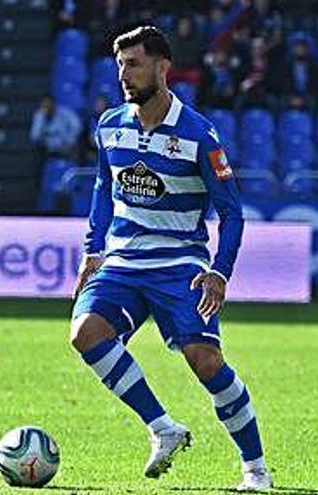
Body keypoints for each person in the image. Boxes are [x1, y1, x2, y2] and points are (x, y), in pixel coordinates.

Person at [70, 26, 271, 491]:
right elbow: (104, 188)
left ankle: (255, 468)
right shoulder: (109, 125)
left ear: (163, 68)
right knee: (85, 333)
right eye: (120, 65)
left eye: (134, 64)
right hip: (121, 261)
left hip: (180, 263)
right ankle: (162, 428)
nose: (124, 74)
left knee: (205, 361)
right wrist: (92, 250)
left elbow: (232, 212)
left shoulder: (199, 135)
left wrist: (219, 272)